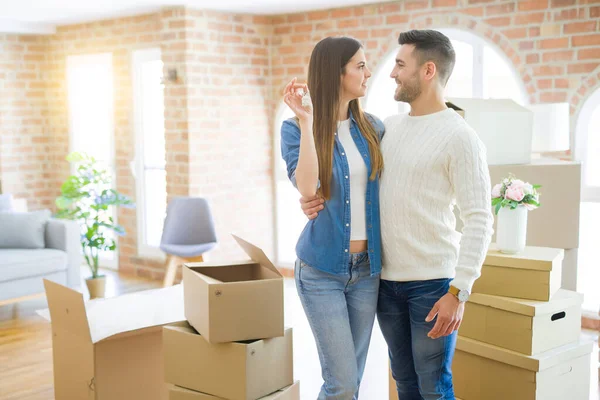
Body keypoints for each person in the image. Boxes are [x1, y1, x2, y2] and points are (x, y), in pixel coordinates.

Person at [299, 30, 494, 400]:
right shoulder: (387, 129)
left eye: (400, 65)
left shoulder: (461, 137)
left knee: (434, 387)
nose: (390, 73)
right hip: (385, 282)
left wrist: (460, 290)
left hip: (432, 285)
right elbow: (353, 184)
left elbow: (480, 218)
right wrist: (310, 199)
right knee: (403, 381)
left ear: (428, 71)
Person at [280, 36, 385, 400]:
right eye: (360, 65)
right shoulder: (295, 129)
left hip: (367, 272)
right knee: (341, 383)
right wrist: (308, 121)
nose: (368, 72)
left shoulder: (374, 129)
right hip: (321, 269)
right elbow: (308, 188)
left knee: (351, 381)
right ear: (335, 73)